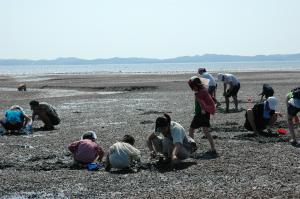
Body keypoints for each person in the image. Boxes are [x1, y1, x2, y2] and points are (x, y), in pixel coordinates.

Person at [188, 76, 217, 153]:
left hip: (201, 114)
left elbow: (202, 103)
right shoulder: (203, 90)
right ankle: (213, 148)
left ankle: (192, 148)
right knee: (206, 130)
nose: (192, 89)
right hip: (205, 113)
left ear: (196, 85)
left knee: (191, 130)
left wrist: (203, 110)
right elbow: (209, 99)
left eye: (192, 87)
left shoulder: (199, 93)